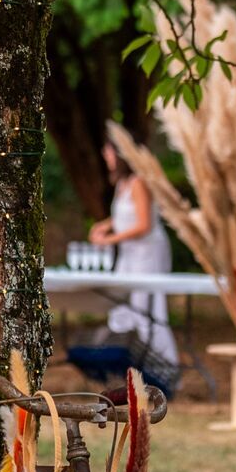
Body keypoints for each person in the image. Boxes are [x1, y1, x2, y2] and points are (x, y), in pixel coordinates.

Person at [88, 131, 177, 366]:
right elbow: (125, 216)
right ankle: (130, 364)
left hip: (147, 254)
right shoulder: (122, 183)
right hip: (129, 254)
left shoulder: (139, 182)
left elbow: (144, 225)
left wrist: (111, 239)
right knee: (122, 307)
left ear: (120, 154)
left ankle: (162, 366)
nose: (105, 155)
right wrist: (105, 225)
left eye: (108, 151)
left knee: (148, 311)